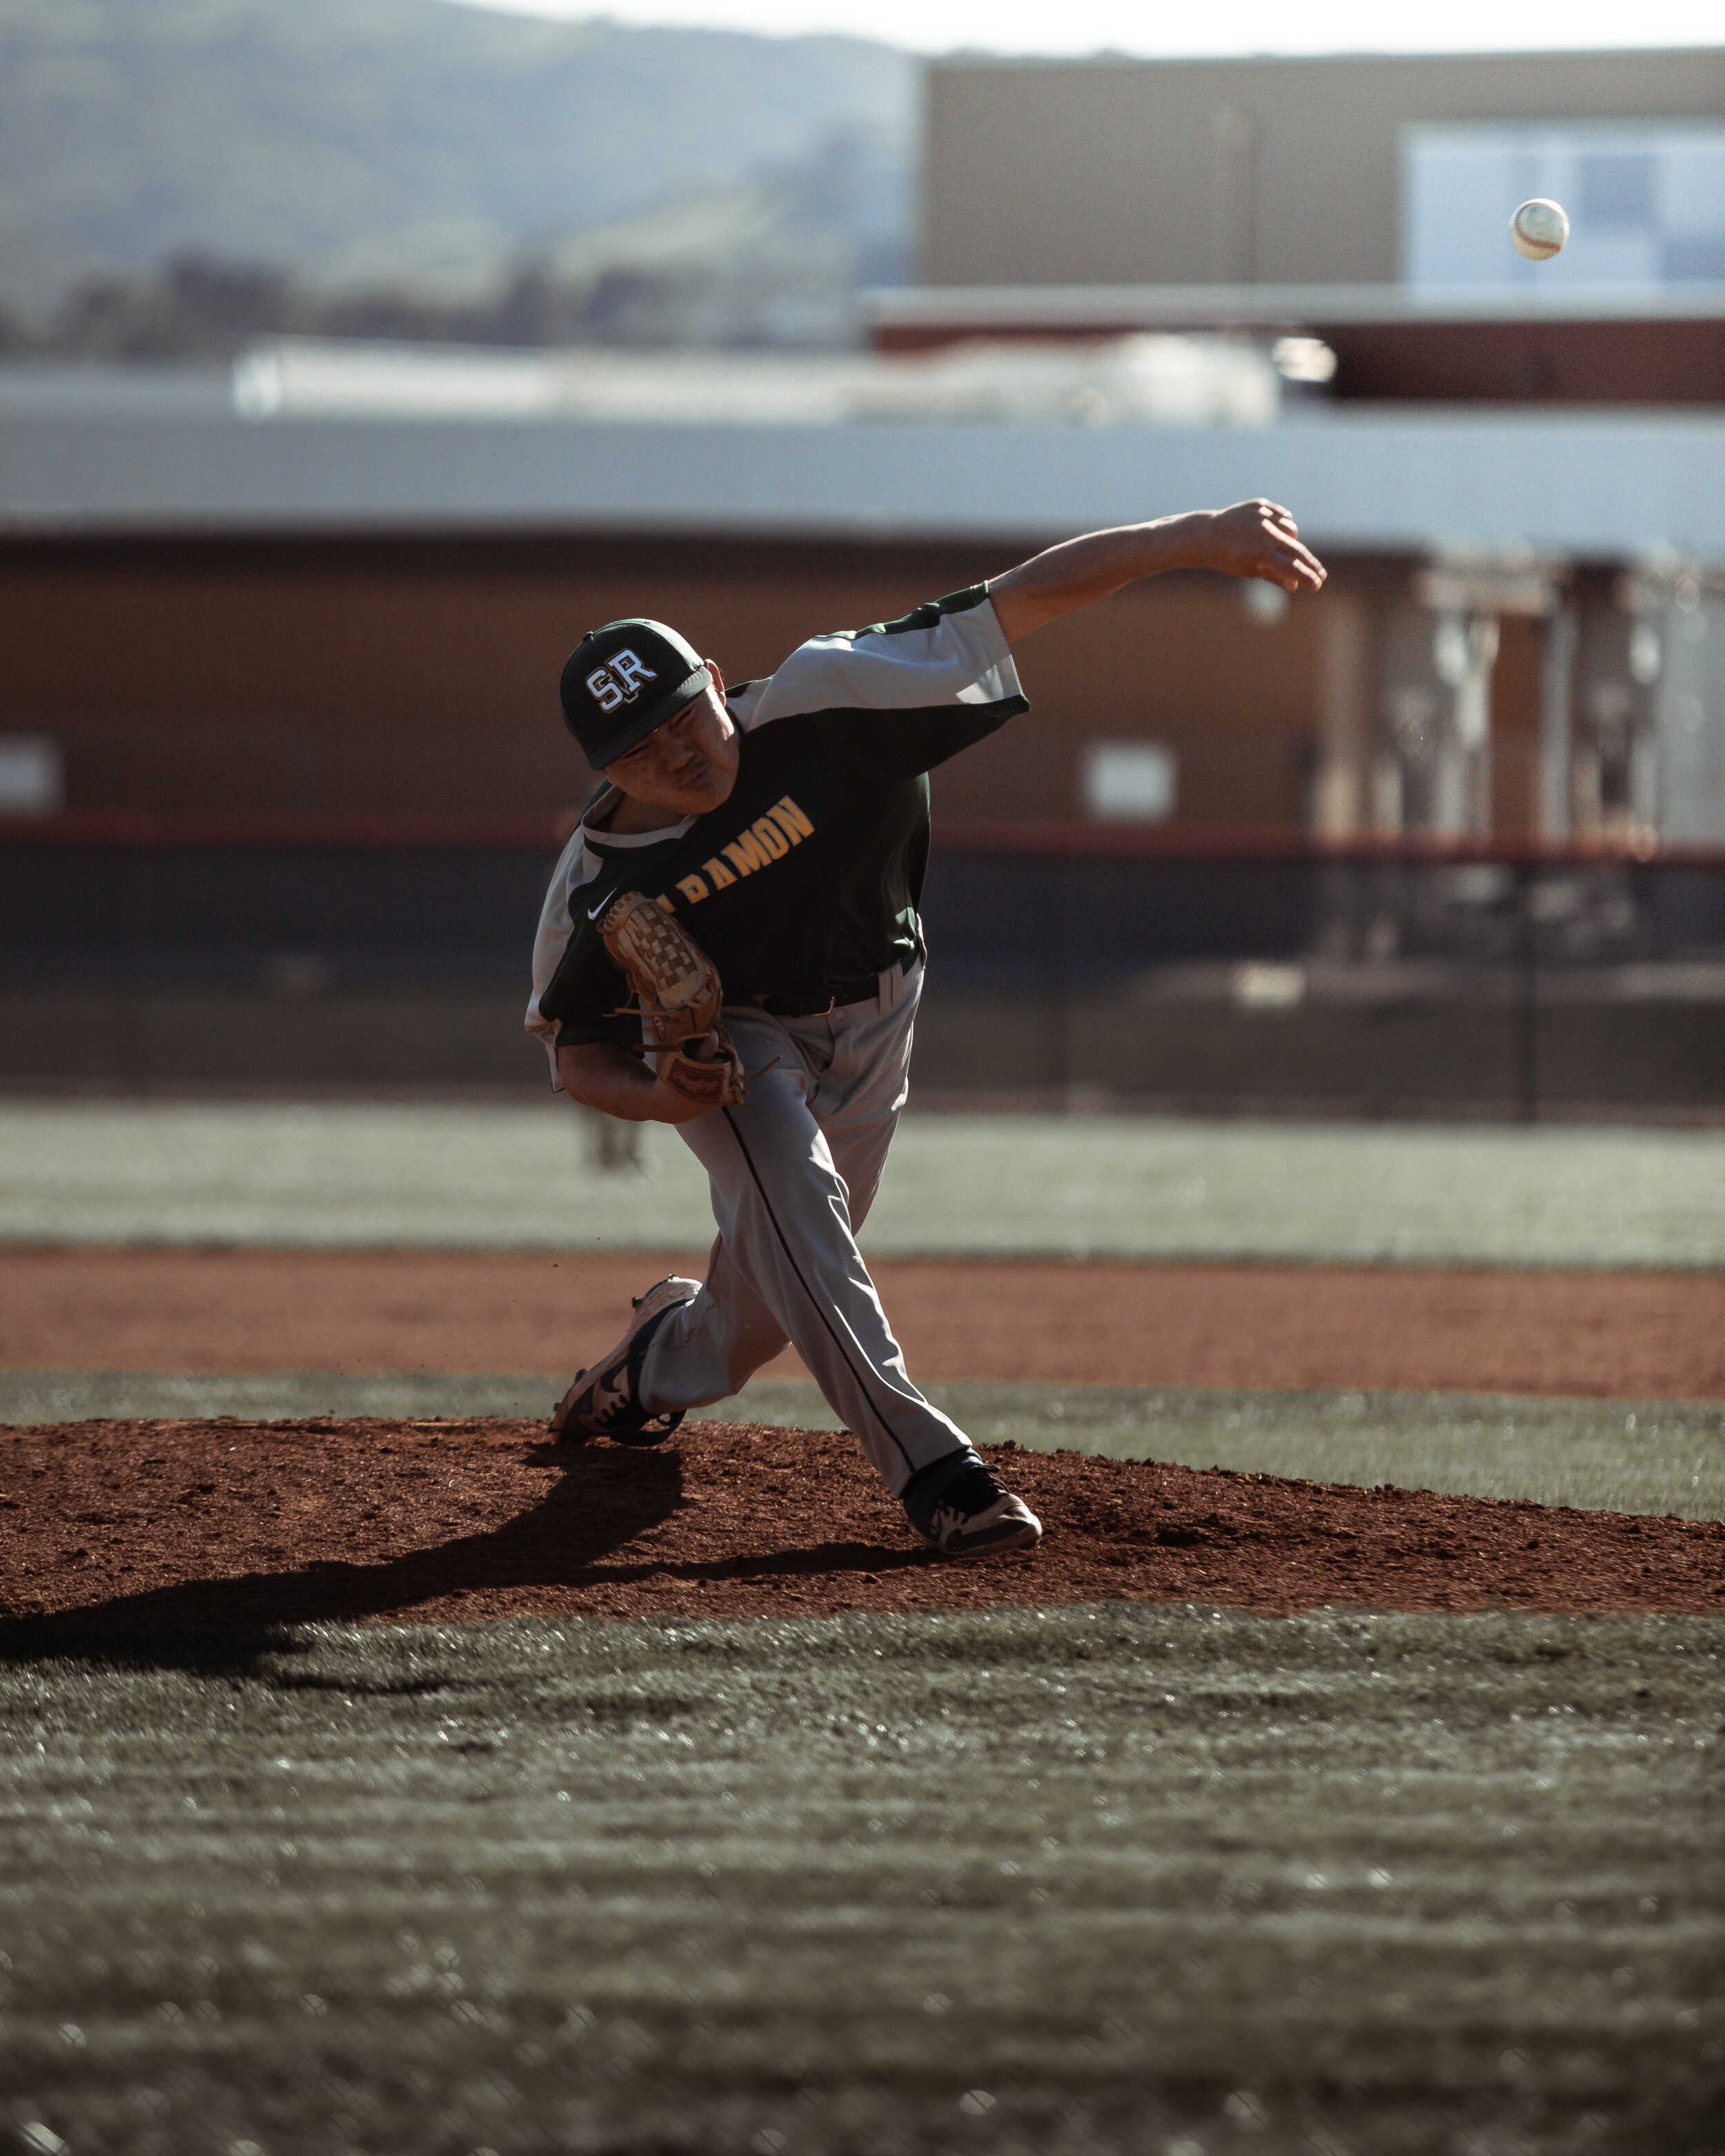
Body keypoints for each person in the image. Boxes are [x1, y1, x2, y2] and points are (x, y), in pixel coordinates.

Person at [526, 500, 1326, 1559]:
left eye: (686, 716)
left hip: (879, 1011)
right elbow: (576, 1051)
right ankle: (939, 1474)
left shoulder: (831, 696)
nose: (679, 753)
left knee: (763, 1307)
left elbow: (1019, 601)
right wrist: (661, 1094)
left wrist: (1194, 540)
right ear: (604, 771)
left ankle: (650, 1365)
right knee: (797, 1204)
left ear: (718, 680)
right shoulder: (595, 881)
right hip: (740, 1047)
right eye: (641, 748)